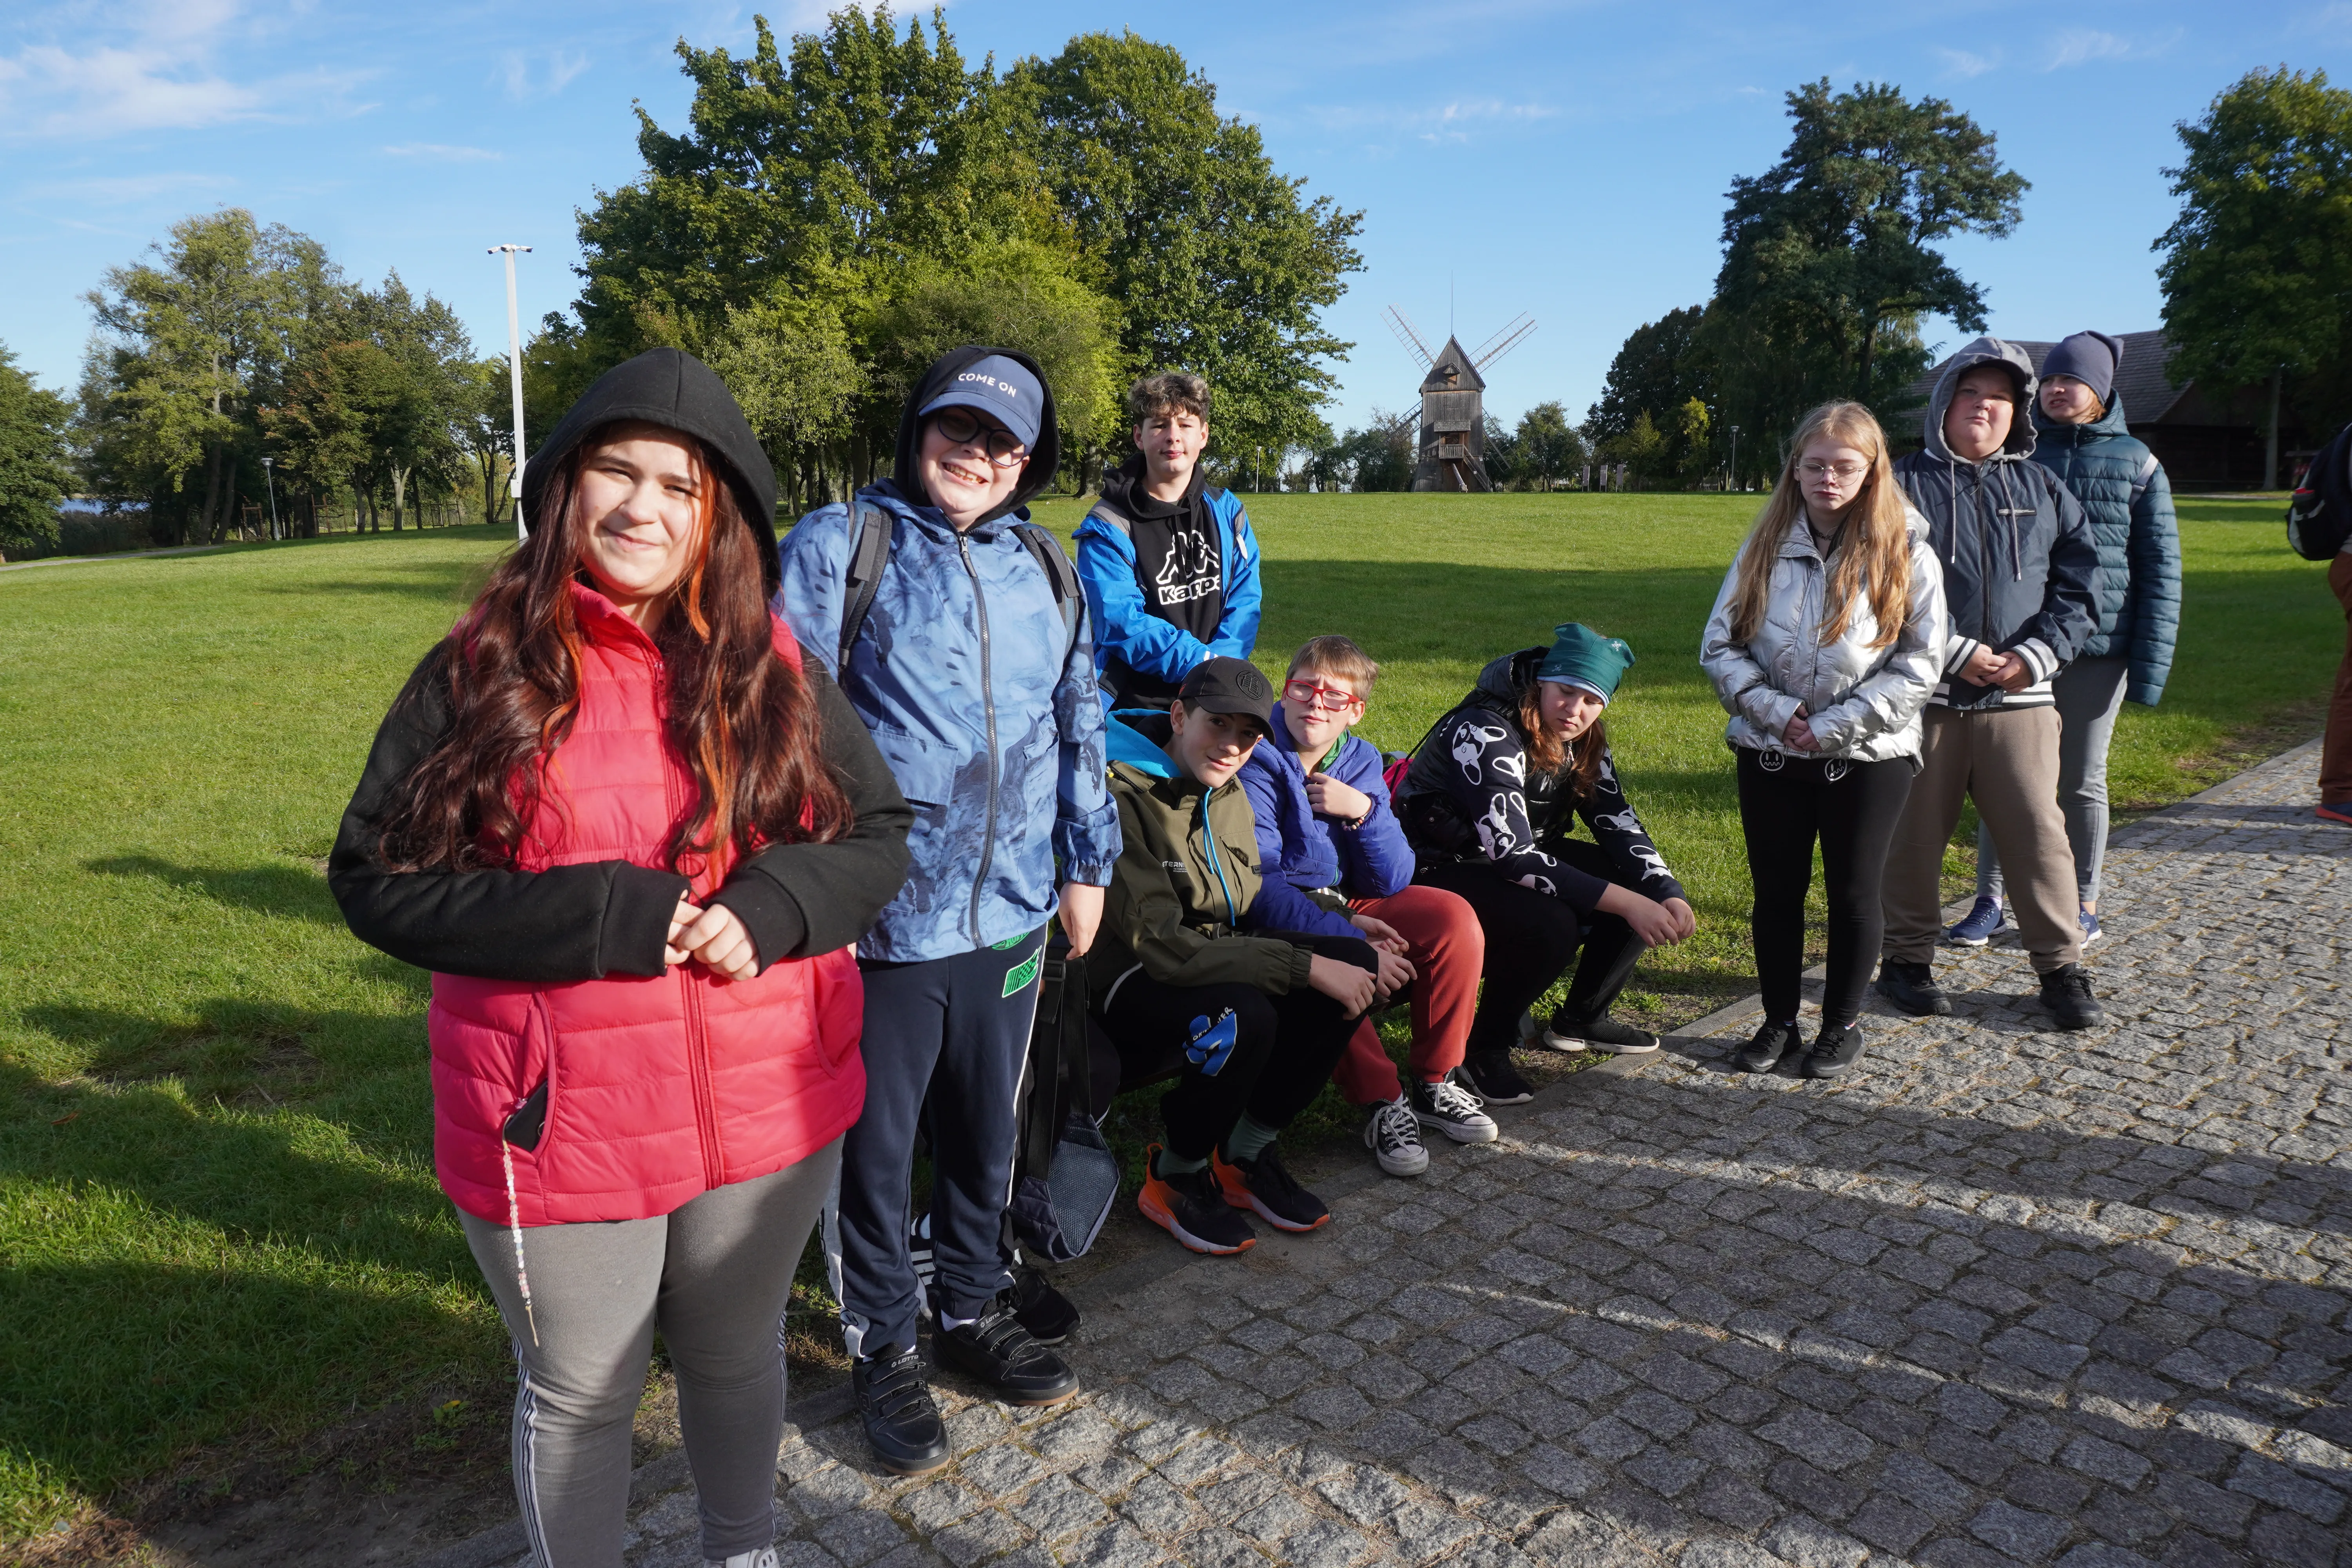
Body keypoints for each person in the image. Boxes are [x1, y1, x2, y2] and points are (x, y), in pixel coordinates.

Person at [328, 349, 913, 1568]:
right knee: (583, 1392)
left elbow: (879, 831)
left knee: (735, 1351)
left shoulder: (779, 668)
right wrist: (594, 916)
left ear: (724, 520)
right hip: (563, 1118)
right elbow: (377, 880)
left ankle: (742, 1550)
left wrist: (779, 899)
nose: (643, 508)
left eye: (680, 487)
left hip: (768, 1101)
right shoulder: (480, 669)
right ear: (562, 488)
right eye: (616, 472)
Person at [775, 346, 1120, 1477]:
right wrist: (808, 887)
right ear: (918, 429)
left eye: (1003, 441)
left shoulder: (1048, 565)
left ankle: (970, 1307)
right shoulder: (840, 545)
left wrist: (1089, 864)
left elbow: (1080, 716)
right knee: (876, 1153)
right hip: (883, 918)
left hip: (1015, 911)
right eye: (956, 430)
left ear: (1033, 460)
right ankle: (884, 1343)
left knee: (986, 1132)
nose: (976, 455)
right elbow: (781, 723)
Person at [1089, 657, 1383, 1254]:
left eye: (1247, 735)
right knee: (1247, 1014)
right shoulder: (1118, 794)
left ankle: (1245, 1156)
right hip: (1122, 976)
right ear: (1178, 714)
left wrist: (1341, 927)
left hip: (1206, 952)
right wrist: (1301, 966)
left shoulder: (1226, 791)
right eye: (1217, 725)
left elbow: (1242, 902)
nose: (1231, 747)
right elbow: (1164, 947)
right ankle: (1177, 1173)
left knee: (1357, 962)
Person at [1700, 402, 1947, 1079]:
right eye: (1815, 465)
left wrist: (1834, 727)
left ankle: (1840, 1025)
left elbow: (1923, 662)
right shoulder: (1763, 546)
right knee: (1776, 892)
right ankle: (1779, 1020)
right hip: (1772, 748)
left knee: (1854, 893)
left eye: (1845, 466)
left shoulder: (1908, 553)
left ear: (1872, 472)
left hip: (1870, 756)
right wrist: (1780, 715)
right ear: (1796, 469)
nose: (1828, 478)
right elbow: (1720, 645)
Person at [1879, 337, 2106, 1030]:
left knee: (2040, 835)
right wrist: (1952, 651)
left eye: (2000, 399)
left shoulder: (2043, 488)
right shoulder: (1898, 485)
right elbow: (1871, 584)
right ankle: (1907, 961)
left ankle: (2061, 968)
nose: (1984, 408)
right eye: (1971, 394)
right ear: (1946, 402)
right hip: (1925, 697)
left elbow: (2081, 588)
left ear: (2019, 413)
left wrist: (2037, 655)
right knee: (1914, 836)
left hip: (2023, 699)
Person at [1394, 623, 1697, 1104]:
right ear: (1542, 683)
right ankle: (1483, 1047)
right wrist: (1629, 904)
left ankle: (1581, 1018)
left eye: (1592, 700)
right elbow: (1511, 856)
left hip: (1518, 853)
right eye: (1565, 691)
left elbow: (1616, 819)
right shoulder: (1486, 728)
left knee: (1634, 885)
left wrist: (1665, 888)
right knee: (1551, 922)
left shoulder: (1584, 738)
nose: (1575, 710)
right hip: (1440, 864)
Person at [1946, 331, 2181, 948]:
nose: (2055, 390)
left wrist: (2150, 665)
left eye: (2070, 381)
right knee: (2007, 776)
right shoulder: (2017, 455)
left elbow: (2161, 567)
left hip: (2100, 650)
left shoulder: (2138, 462)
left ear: (2101, 393)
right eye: (2049, 380)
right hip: (2020, 649)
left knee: (2079, 777)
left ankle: (2082, 898)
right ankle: (1992, 899)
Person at [1236, 636, 1494, 1176]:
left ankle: (1435, 1080)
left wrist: (1365, 811)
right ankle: (1383, 1100)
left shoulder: (1359, 758)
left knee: (1453, 920)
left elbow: (1394, 876)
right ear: (1284, 694)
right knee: (1347, 964)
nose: (1316, 703)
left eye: (1335, 697)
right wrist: (1354, 934)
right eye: (1304, 688)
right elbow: (1261, 888)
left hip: (1351, 898)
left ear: (1356, 711)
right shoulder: (1257, 758)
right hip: (1287, 906)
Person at [1075, 372, 1262, 709]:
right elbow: (1120, 623)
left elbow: (1245, 603)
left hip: (1212, 695)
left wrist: (1219, 666)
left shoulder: (1228, 510)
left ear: (1203, 435)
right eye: (1160, 425)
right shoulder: (1107, 525)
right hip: (1131, 704)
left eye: (1186, 425)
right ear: (1139, 437)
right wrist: (1202, 663)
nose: (1173, 437)